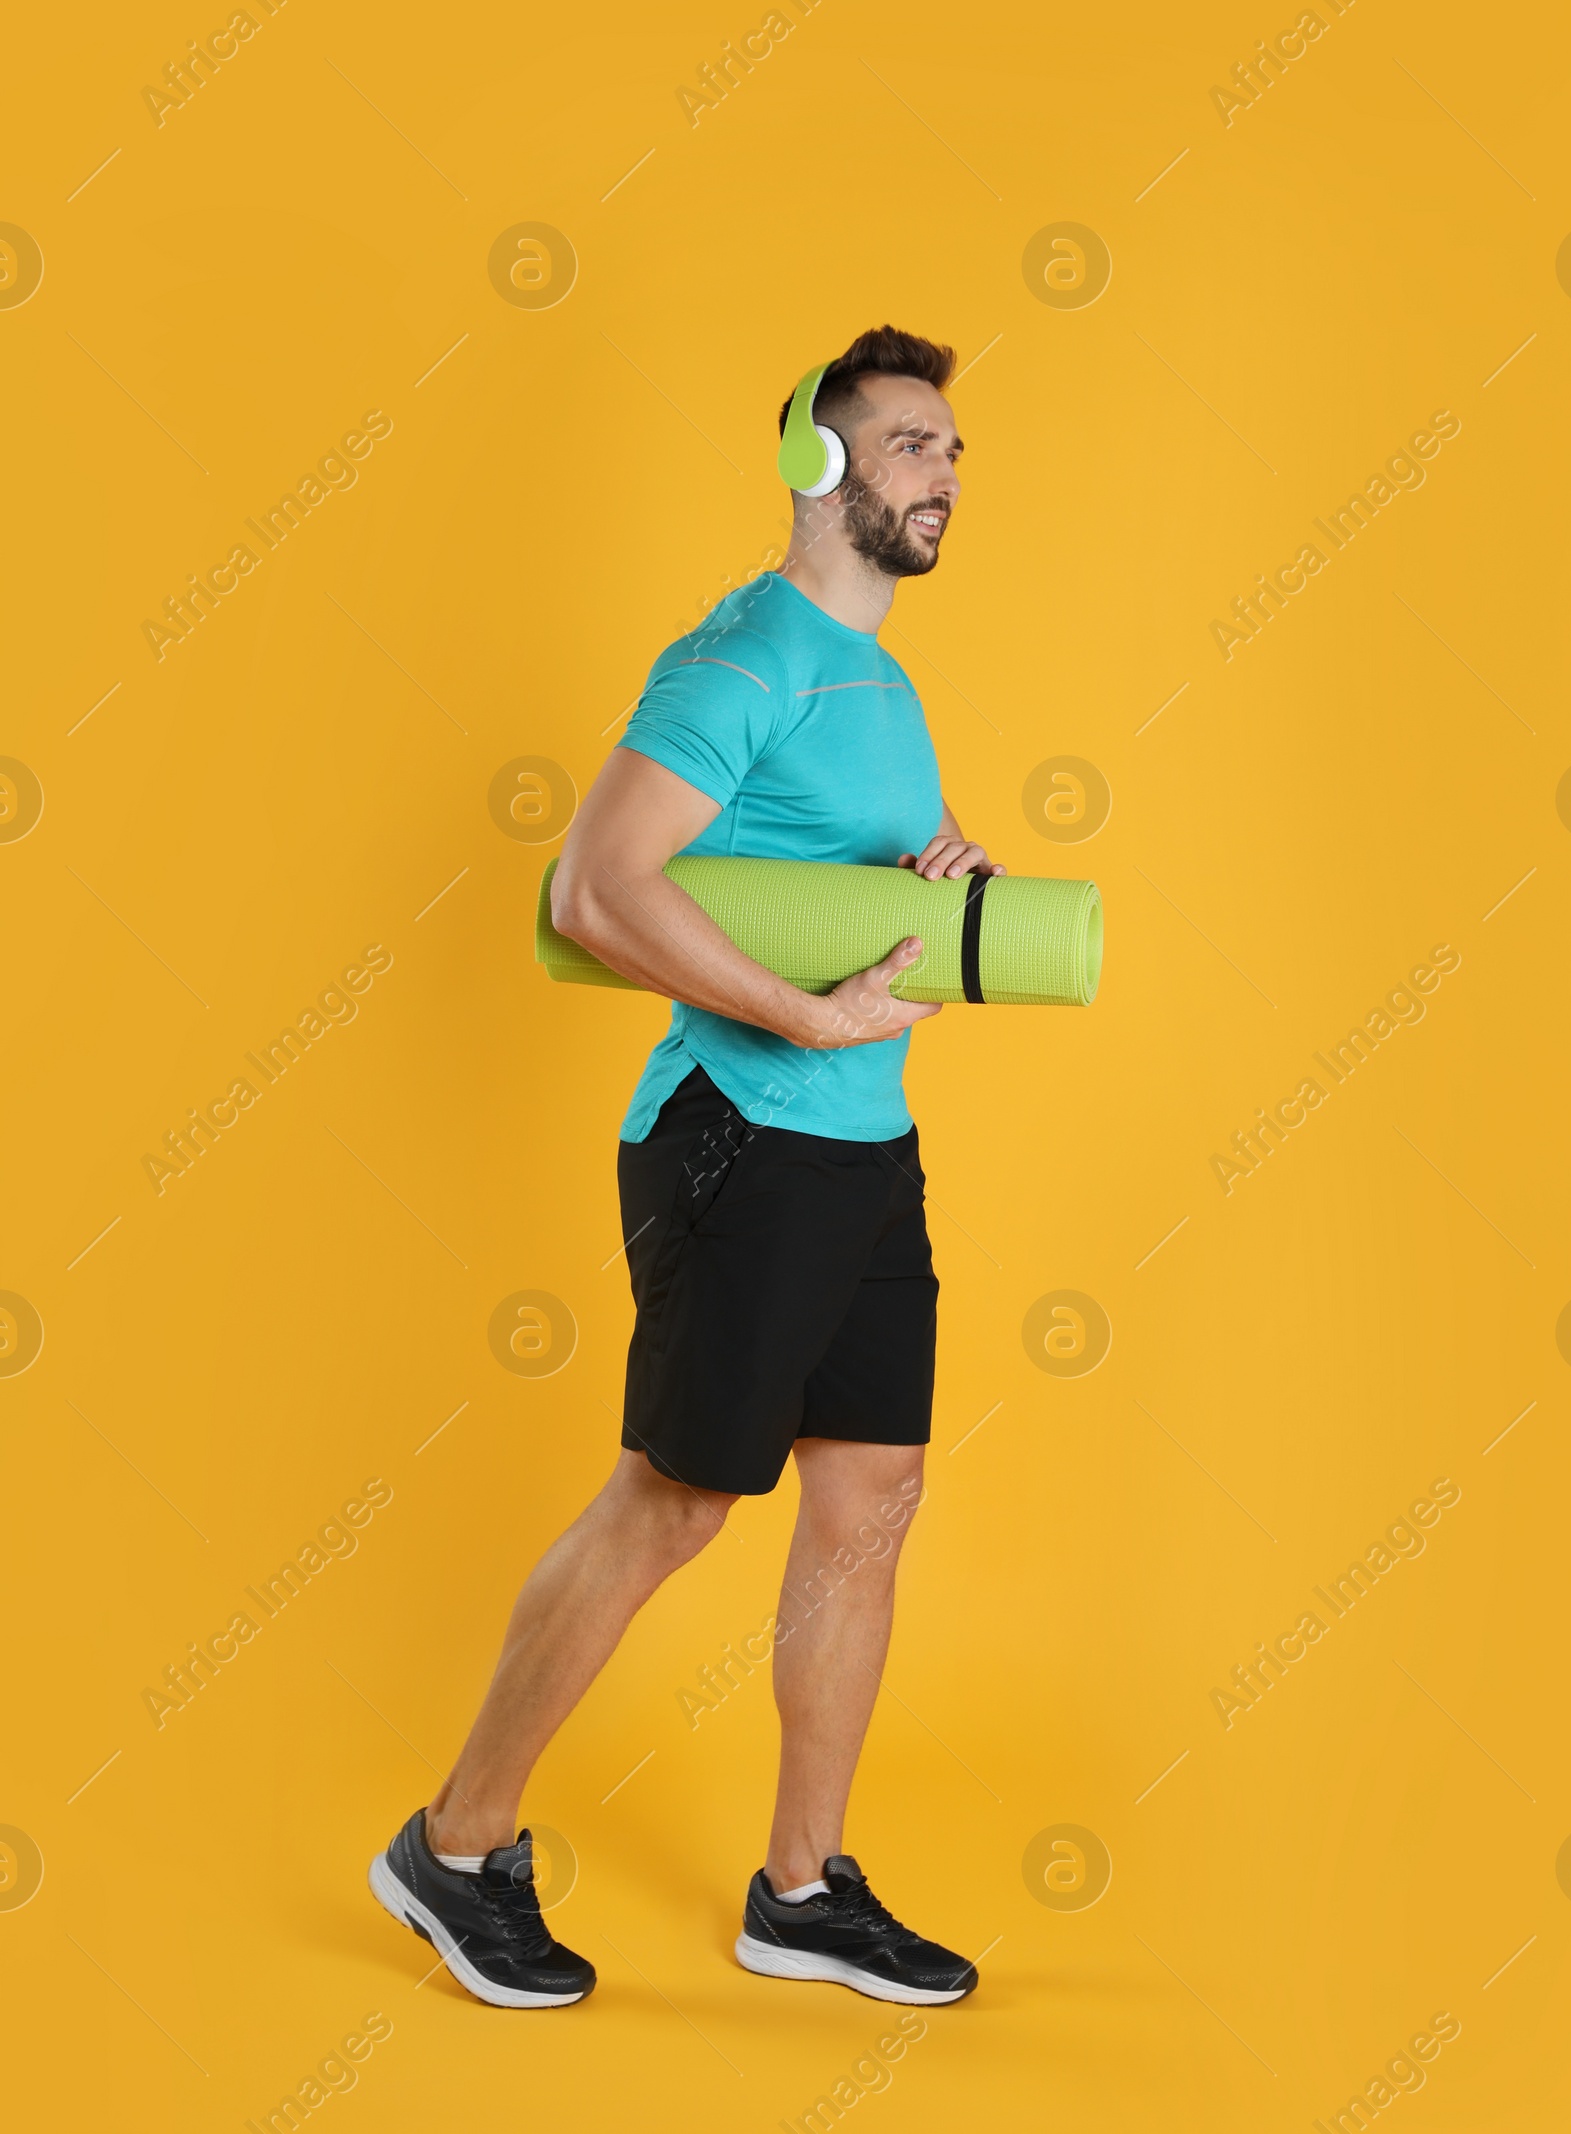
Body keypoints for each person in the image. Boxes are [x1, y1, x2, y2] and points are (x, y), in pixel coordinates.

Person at [370, 325, 1003, 2009]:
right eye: (915, 441)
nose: (949, 468)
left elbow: (816, 878)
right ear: (820, 460)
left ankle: (800, 1888)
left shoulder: (883, 680)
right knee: (682, 1496)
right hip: (739, 1137)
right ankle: (452, 1844)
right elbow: (594, 886)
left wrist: (935, 883)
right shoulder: (742, 656)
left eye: (955, 446)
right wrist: (796, 1013)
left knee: (872, 1499)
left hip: (868, 1143)